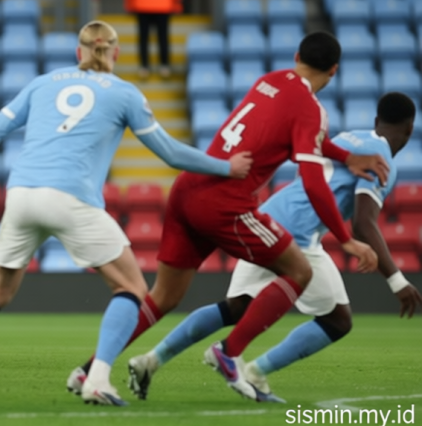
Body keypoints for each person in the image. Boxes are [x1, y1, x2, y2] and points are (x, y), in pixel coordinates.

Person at [0, 21, 253, 406]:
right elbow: (170, 153)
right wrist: (226, 167)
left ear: (79, 52)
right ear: (116, 53)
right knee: (132, 289)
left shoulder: (43, 83)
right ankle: (98, 380)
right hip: (71, 197)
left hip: (21, 195)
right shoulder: (125, 93)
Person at [66, 31, 390, 401]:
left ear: (297, 56)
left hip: (188, 189)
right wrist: (346, 239)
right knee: (299, 271)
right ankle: (229, 351)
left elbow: (303, 137)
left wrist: (345, 156)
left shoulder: (270, 80)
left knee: (163, 296)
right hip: (225, 202)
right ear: (333, 71)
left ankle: (89, 370)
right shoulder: (311, 109)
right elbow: (314, 181)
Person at [127, 92, 421, 402]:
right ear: (410, 128)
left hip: (269, 216)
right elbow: (363, 222)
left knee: (236, 307)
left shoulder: (349, 138)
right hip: (299, 233)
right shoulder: (381, 158)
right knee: (337, 320)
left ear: (376, 120)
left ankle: (150, 361)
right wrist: (397, 281)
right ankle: (250, 369)